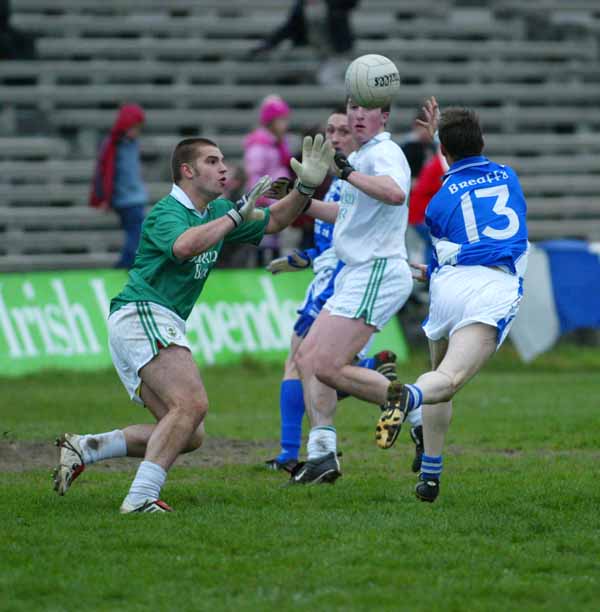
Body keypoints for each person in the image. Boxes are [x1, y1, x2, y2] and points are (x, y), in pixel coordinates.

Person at [53, 134, 335, 513]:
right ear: (187, 171)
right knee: (192, 404)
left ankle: (88, 446)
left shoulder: (217, 212)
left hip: (148, 320)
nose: (224, 168)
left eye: (223, 161)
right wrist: (235, 215)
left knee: (188, 433)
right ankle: (139, 498)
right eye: (213, 161)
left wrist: (305, 186)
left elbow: (280, 219)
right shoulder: (168, 211)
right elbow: (185, 247)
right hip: (143, 312)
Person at [382, 98, 529, 503]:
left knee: (439, 379)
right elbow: (471, 176)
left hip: (448, 288)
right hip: (490, 289)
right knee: (448, 382)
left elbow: (457, 183)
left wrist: (436, 142)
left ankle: (430, 477)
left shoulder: (438, 201)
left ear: (443, 150)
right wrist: (442, 140)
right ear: (482, 142)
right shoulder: (508, 176)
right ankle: (407, 397)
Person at [262, 107, 420, 473]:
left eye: (340, 131)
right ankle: (321, 454)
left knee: (316, 364)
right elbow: (345, 220)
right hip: (347, 273)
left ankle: (405, 401)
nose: (333, 138)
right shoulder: (352, 169)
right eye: (329, 131)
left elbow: (394, 198)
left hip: (359, 273)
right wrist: (301, 202)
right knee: (307, 361)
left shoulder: (372, 160)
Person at [89, 103, 148, 269]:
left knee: (137, 232)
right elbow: (104, 173)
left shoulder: (132, 143)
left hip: (135, 197)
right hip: (126, 199)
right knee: (136, 232)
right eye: (134, 128)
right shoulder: (113, 145)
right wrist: (104, 198)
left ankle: (128, 262)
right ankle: (125, 264)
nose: (136, 132)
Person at [243, 94, 298, 265]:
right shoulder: (260, 144)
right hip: (265, 201)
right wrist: (261, 197)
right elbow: (255, 173)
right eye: (281, 120)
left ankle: (272, 267)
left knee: (275, 241)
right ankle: (260, 268)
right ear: (270, 121)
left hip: (276, 198)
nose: (285, 125)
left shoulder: (279, 142)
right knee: (263, 240)